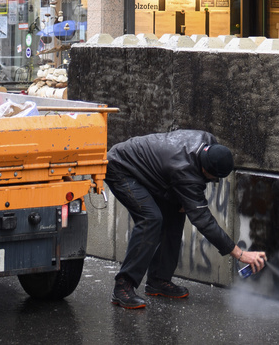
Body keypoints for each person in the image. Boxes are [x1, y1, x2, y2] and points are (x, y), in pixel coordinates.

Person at [106, 129, 267, 309]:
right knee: (150, 219)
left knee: (175, 212)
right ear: (205, 170)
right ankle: (123, 287)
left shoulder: (209, 141)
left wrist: (185, 198)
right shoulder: (184, 170)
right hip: (120, 167)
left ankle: (158, 280)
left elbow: (188, 183)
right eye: (213, 178)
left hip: (153, 170)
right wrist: (240, 254)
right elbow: (203, 221)